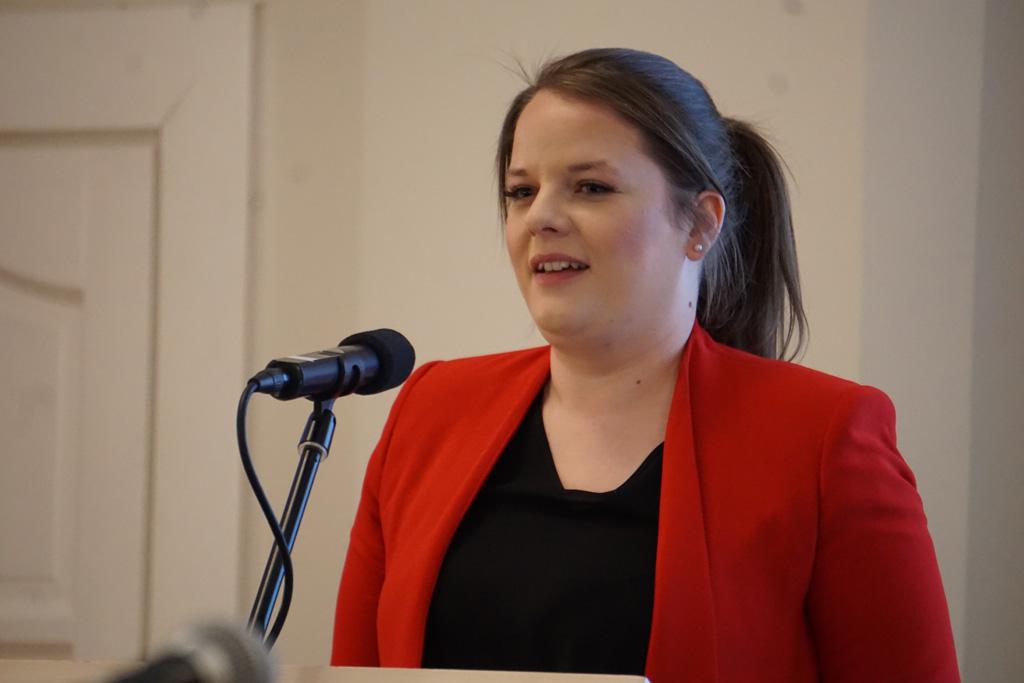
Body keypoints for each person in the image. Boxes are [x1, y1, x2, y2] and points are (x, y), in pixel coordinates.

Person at [330, 48, 960, 682]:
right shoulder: (431, 409)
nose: (540, 217)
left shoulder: (824, 435)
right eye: (521, 191)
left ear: (700, 223)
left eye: (591, 187)